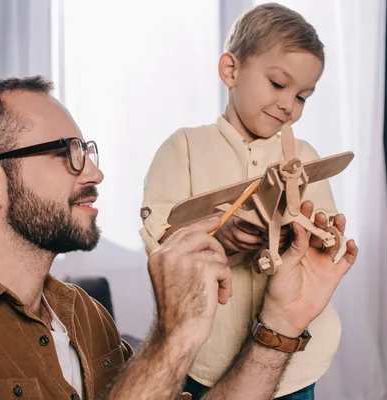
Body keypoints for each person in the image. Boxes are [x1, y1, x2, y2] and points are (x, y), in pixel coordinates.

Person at [0, 76, 357, 400]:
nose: (97, 173)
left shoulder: (83, 313)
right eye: (69, 153)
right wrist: (173, 336)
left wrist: (283, 323)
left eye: (89, 150)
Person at [139, 3, 343, 398]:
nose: (289, 105)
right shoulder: (183, 147)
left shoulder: (304, 156)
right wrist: (222, 236)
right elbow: (159, 242)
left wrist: (320, 235)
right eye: (279, 85)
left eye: (303, 96)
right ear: (231, 71)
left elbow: (326, 228)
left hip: (292, 361)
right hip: (206, 358)